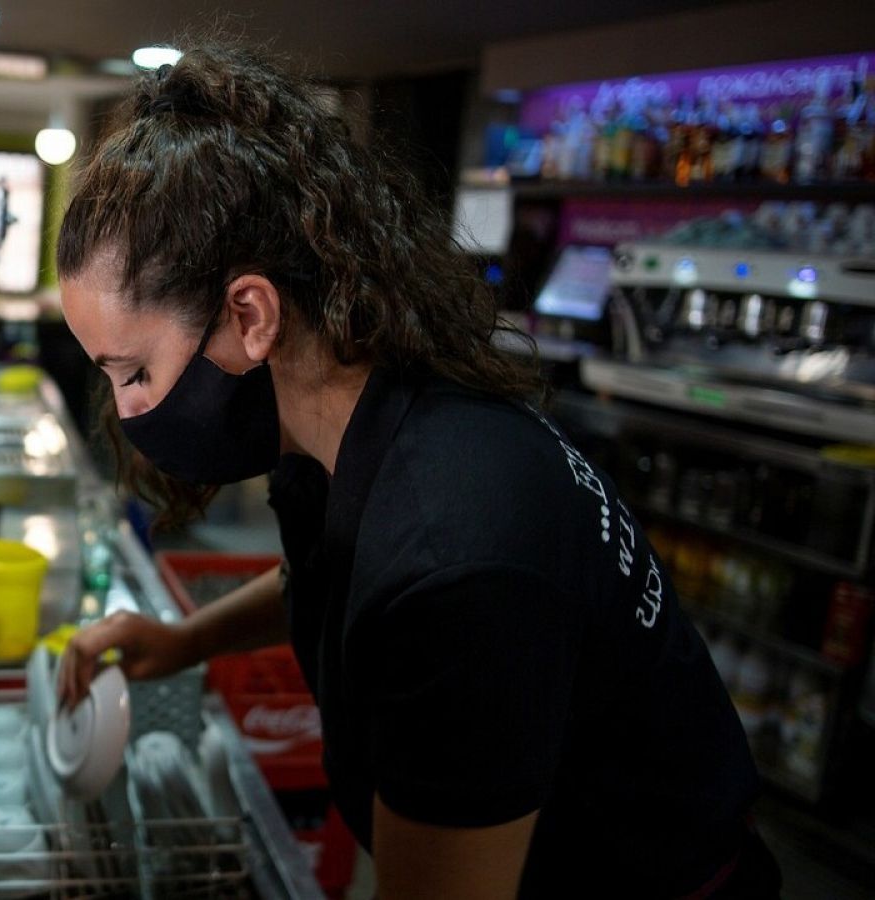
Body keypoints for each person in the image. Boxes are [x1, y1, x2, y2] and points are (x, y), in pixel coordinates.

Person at [54, 45, 779, 899]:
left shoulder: (455, 563)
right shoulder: (353, 422)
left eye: (134, 373)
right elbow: (330, 576)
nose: (130, 414)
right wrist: (186, 642)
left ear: (251, 315)